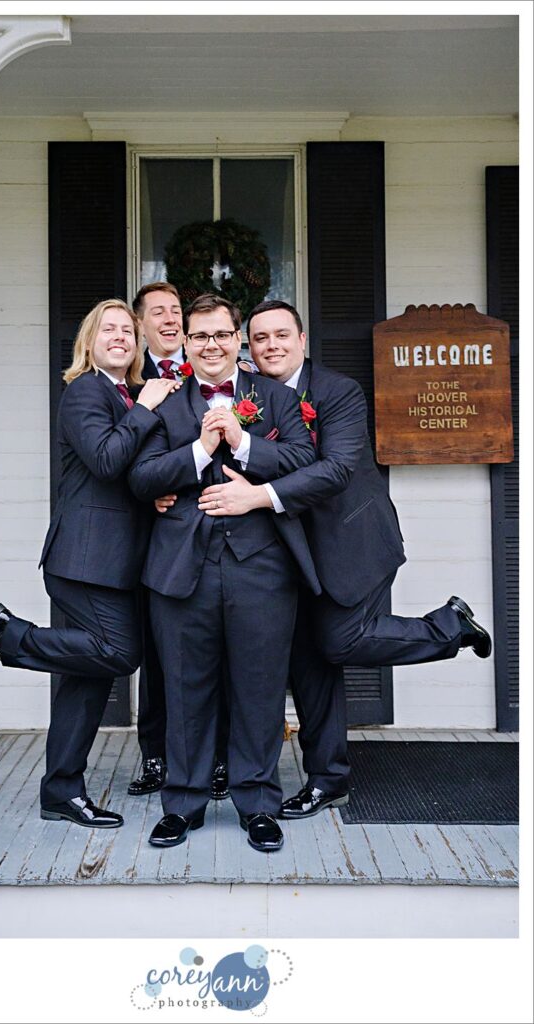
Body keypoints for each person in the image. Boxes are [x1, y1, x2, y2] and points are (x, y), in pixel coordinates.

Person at [197, 299, 492, 820]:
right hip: (292, 556)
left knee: (339, 640)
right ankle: (328, 779)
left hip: (353, 542)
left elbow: (334, 470)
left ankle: (449, 626)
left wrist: (259, 497)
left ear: (303, 340)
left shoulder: (337, 392)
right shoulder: (249, 395)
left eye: (281, 335)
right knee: (309, 666)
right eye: (260, 337)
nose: (271, 346)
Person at [0, 299, 179, 829]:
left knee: (85, 679)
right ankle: (8, 635)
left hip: (116, 561)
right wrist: (147, 407)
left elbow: (124, 469)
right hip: (85, 559)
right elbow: (105, 457)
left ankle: (62, 789)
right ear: (88, 341)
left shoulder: (122, 393)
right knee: (119, 652)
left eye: (128, 330)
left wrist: (151, 492)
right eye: (109, 329)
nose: (120, 336)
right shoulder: (86, 390)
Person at [129, 293, 320, 853]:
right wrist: (198, 449)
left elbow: (306, 461)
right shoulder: (164, 404)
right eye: (199, 336)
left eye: (221, 334)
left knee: (259, 690)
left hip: (261, 568)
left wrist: (244, 443)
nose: (211, 345)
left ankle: (258, 801)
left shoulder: (276, 397)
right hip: (181, 569)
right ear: (185, 343)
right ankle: (182, 804)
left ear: (237, 340)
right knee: (186, 689)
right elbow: (140, 478)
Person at [128, 282, 230, 801]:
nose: (168, 319)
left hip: (218, 533)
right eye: (158, 312)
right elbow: (125, 462)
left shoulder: (223, 377)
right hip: (150, 536)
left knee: (213, 656)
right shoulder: (131, 379)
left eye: (176, 311)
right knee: (161, 658)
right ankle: (156, 757)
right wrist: (150, 494)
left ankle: (214, 760)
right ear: (141, 323)